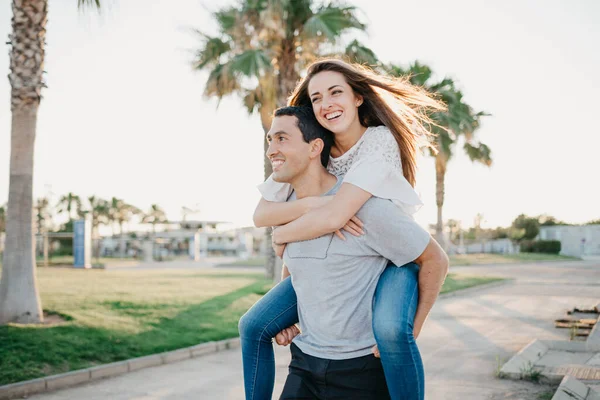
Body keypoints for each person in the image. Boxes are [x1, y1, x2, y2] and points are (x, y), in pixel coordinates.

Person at [240, 59, 449, 400]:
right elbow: (263, 213)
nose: (326, 104)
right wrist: (309, 207)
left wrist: (282, 233)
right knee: (252, 326)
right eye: (317, 97)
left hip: (393, 257)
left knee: (391, 331)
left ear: (358, 98)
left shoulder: (378, 143)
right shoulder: (312, 150)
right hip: (346, 243)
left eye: (336, 92)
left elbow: (338, 215)